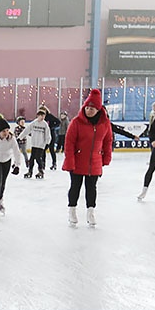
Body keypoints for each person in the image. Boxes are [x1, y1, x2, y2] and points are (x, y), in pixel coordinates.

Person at [63, 89, 113, 226]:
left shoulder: (104, 123)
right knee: (75, 187)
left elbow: (108, 141)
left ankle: (90, 212)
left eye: (92, 108)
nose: (89, 110)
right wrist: (70, 162)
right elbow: (69, 143)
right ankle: (72, 210)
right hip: (77, 161)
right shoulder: (76, 122)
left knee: (92, 189)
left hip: (95, 162)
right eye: (87, 107)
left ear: (98, 109)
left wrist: (106, 158)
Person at [18, 108, 51, 178]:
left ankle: (41, 171)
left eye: (43, 116)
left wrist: (47, 143)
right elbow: (26, 130)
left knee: (38, 158)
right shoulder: (34, 123)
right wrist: (20, 137)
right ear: (37, 116)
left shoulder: (45, 125)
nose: (42, 117)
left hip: (41, 145)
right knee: (32, 158)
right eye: (41, 116)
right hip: (34, 144)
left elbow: (48, 135)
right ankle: (30, 171)